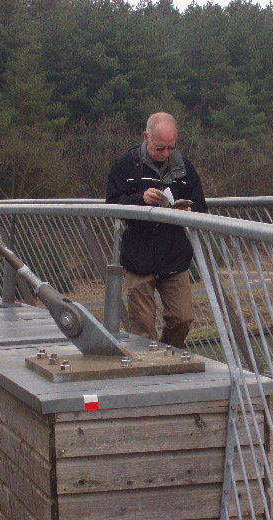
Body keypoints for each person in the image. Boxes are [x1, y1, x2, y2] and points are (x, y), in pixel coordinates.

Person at [106, 112, 207, 348]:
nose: (166, 154)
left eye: (171, 147)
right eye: (160, 148)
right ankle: (148, 374)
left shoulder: (184, 167)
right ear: (146, 137)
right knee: (142, 325)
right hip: (138, 254)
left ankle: (166, 355)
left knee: (182, 318)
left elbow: (201, 206)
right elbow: (112, 205)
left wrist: (190, 213)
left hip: (174, 253)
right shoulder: (125, 165)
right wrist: (140, 198)